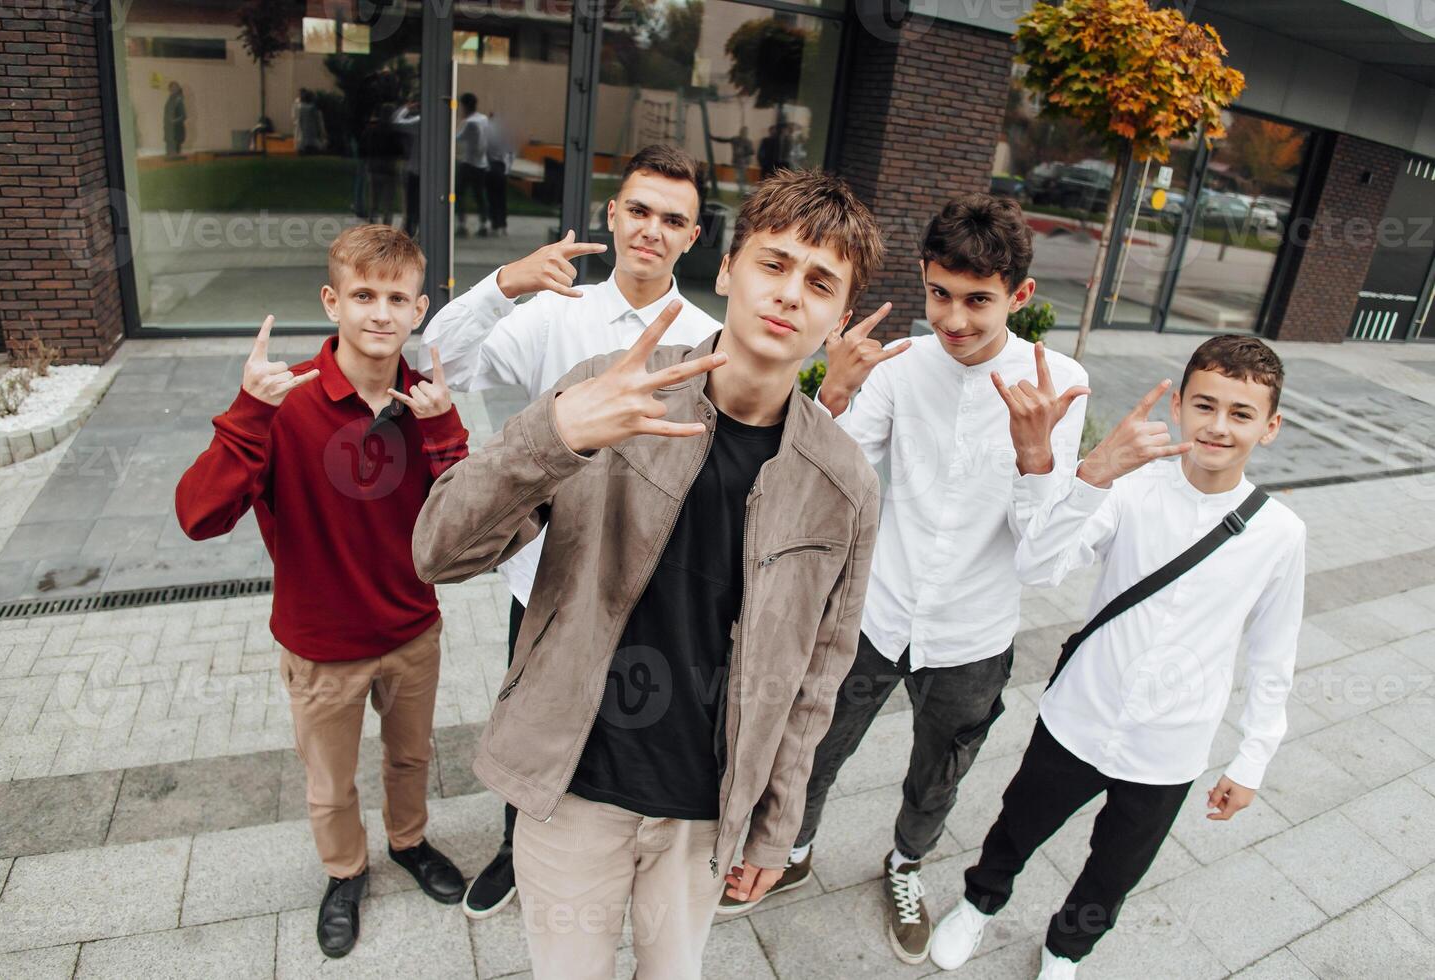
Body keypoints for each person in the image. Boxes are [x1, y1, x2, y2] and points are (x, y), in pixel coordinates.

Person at [412, 169, 885, 979]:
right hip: (574, 789)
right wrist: (555, 435)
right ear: (728, 271)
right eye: (773, 264)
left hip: (705, 813)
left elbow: (818, 676)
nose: (789, 295)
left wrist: (776, 827)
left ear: (839, 318)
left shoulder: (843, 482)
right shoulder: (608, 387)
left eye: (819, 281)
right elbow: (438, 551)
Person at [718, 193, 1090, 966]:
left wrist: (1035, 458)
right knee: (817, 748)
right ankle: (793, 847)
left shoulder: (1057, 386)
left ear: (1020, 297)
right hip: (876, 615)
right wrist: (837, 394)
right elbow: (831, 480)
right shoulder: (900, 365)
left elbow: (1039, 557)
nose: (954, 319)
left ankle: (905, 864)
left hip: (973, 633)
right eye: (940, 294)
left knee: (938, 774)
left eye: (978, 300)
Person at [930, 335, 1305, 979]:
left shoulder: (1280, 534)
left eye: (1241, 414)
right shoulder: (1130, 488)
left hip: (1171, 745)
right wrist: (1093, 474)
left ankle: (1064, 951)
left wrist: (1252, 759)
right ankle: (978, 903)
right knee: (1017, 827)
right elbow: (1039, 565)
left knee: (1115, 870)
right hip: (1080, 714)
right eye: (1205, 405)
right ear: (1179, 405)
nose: (1219, 426)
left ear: (1269, 427)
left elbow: (1274, 657)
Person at [416, 142, 721, 921]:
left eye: (673, 220)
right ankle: (516, 850)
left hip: (651, 576)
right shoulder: (559, 311)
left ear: (693, 237)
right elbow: (437, 361)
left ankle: (622, 857)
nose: (652, 229)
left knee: (634, 718)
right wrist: (502, 285)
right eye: (640, 211)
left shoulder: (712, 340)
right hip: (547, 571)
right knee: (534, 717)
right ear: (614, 216)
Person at [174, 225, 472, 959]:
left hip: (412, 632)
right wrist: (247, 414)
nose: (380, 313)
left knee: (411, 759)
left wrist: (444, 430)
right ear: (332, 301)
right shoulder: (284, 407)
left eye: (396, 298)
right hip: (323, 647)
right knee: (330, 783)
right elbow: (197, 517)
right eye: (363, 295)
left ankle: (408, 840)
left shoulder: (425, 405)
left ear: (419, 310)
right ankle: (344, 871)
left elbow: (470, 522)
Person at [455, 92, 490, 237]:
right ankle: (483, 224)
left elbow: (456, 138)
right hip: (481, 164)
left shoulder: (469, 123)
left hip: (468, 163)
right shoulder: (483, 119)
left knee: (460, 194)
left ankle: (462, 225)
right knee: (480, 195)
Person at [393, 100, 422, 239]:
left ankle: (409, 232)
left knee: (412, 205)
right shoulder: (442, 124)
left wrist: (406, 108)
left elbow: (396, 122)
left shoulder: (418, 122)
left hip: (416, 170)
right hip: (431, 174)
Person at [485, 111, 513, 236]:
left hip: (491, 166)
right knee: (501, 198)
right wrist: (507, 169)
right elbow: (509, 153)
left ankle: (495, 225)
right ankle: (503, 225)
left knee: (492, 198)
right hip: (501, 167)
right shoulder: (503, 132)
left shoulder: (487, 131)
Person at [714, 126, 755, 195]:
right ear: (740, 132)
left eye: (745, 131)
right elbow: (724, 140)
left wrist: (743, 152)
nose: (744, 133)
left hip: (743, 163)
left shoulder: (748, 142)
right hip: (736, 162)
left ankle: (744, 192)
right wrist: (714, 138)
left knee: (741, 178)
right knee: (739, 178)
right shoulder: (735, 139)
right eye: (742, 131)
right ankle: (742, 192)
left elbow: (751, 152)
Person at [294, 88, 325, 154]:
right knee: (314, 143)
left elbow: (300, 120)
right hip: (312, 131)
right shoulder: (313, 108)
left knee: (305, 142)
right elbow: (318, 121)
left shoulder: (301, 108)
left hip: (304, 132)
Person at [163, 81, 186, 158]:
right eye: (172, 88)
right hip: (169, 130)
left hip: (176, 130)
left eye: (175, 87)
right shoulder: (170, 100)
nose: (173, 89)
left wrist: (173, 121)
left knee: (175, 153)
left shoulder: (178, 100)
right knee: (170, 153)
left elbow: (183, 116)